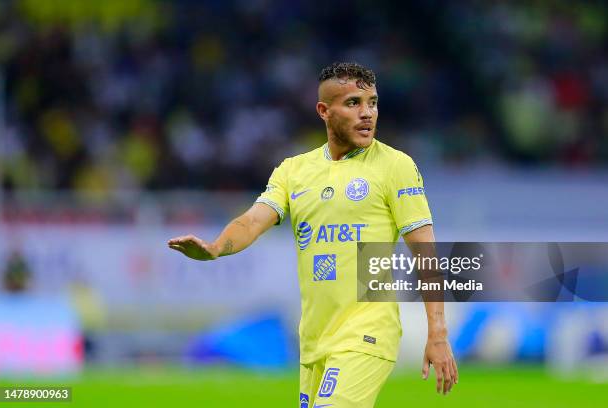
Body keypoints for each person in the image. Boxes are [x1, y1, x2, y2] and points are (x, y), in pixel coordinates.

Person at [168, 62, 457, 407]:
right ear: (324, 110)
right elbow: (252, 222)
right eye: (353, 103)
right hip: (314, 341)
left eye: (373, 103)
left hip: (368, 332)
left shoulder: (396, 167)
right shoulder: (294, 171)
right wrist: (216, 248)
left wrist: (437, 332)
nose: (367, 114)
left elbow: (425, 253)